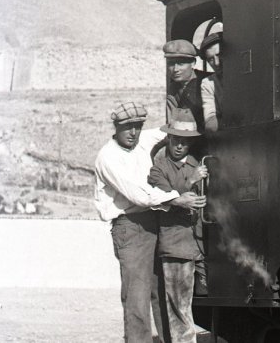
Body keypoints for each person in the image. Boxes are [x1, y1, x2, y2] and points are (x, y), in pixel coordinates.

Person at [94, 101, 205, 343]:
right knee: (137, 296)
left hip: (155, 221)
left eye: (138, 126)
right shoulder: (108, 157)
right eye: (127, 127)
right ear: (116, 127)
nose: (133, 132)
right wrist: (176, 198)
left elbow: (171, 131)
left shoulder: (142, 139)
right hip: (130, 225)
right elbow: (138, 195)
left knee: (161, 291)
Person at [147, 112, 208, 343]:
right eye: (175, 140)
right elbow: (166, 197)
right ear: (169, 139)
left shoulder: (198, 163)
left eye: (185, 141)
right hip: (176, 246)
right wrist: (190, 181)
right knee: (179, 307)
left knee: (192, 303)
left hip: (201, 245)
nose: (180, 145)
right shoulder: (158, 170)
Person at [165, 40, 218, 133]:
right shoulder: (174, 89)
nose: (175, 69)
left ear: (193, 63)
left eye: (181, 64)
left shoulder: (208, 82)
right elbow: (173, 122)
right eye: (171, 64)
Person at [198, 30, 222, 127]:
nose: (217, 63)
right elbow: (210, 123)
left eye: (220, 55)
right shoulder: (208, 83)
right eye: (211, 59)